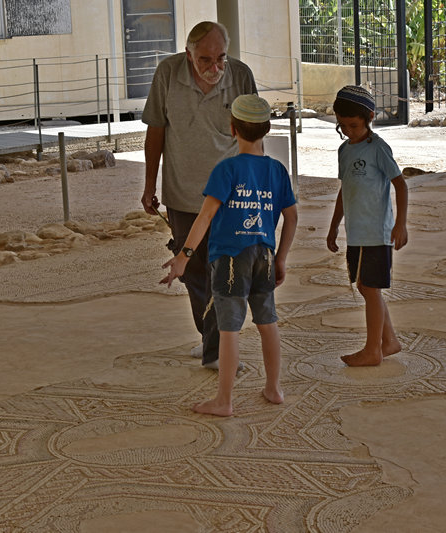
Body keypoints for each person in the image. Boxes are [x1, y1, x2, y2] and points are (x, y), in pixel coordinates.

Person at [161, 94, 298, 416]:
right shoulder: (277, 171)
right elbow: (292, 217)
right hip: (264, 253)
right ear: (265, 129)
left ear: (232, 128)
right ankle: (274, 388)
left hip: (229, 258)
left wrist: (183, 256)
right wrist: (281, 258)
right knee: (268, 323)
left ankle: (224, 401)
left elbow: (205, 216)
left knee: (229, 330)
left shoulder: (227, 169)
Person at [141, 21, 257, 370]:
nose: (215, 68)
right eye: (205, 59)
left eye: (221, 58)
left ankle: (219, 350)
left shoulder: (240, 76)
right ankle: (212, 341)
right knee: (192, 272)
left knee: (226, 273)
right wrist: (149, 186)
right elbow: (155, 132)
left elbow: (253, 138)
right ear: (188, 54)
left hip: (230, 197)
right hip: (183, 195)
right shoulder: (167, 73)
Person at [325, 85, 409, 367]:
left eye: (354, 125)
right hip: (356, 232)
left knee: (369, 287)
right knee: (364, 286)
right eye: (343, 125)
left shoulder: (378, 149)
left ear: (369, 117)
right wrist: (334, 225)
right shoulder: (344, 150)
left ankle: (374, 349)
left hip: (376, 232)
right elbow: (344, 189)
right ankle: (389, 341)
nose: (348, 130)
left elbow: (400, 185)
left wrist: (400, 224)